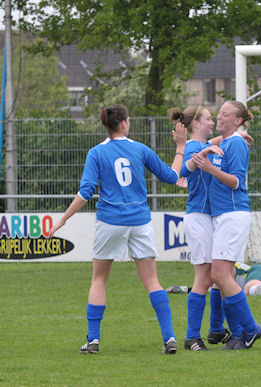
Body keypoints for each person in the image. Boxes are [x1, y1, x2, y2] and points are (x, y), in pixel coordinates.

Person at [48, 104, 187, 354]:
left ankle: (93, 341)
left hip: (110, 220)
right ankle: (169, 339)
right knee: (153, 281)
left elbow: (85, 192)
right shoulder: (140, 149)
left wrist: (63, 220)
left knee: (99, 279)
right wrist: (180, 147)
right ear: (123, 123)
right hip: (139, 221)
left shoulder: (96, 153)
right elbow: (171, 175)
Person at [169, 105, 253, 351]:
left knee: (218, 277)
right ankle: (193, 336)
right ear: (196, 123)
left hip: (212, 216)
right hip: (200, 215)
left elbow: (216, 144)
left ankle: (217, 330)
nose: (212, 119)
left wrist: (234, 137)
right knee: (206, 277)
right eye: (207, 118)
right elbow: (183, 170)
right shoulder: (195, 148)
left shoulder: (210, 145)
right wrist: (191, 149)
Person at [191, 100, 261, 350]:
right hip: (224, 216)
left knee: (220, 274)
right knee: (223, 275)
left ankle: (250, 329)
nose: (219, 117)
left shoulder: (237, 144)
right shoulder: (230, 141)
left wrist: (209, 169)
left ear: (239, 120)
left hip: (233, 214)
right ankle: (238, 333)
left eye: (225, 114)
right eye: (219, 113)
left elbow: (235, 182)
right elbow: (207, 145)